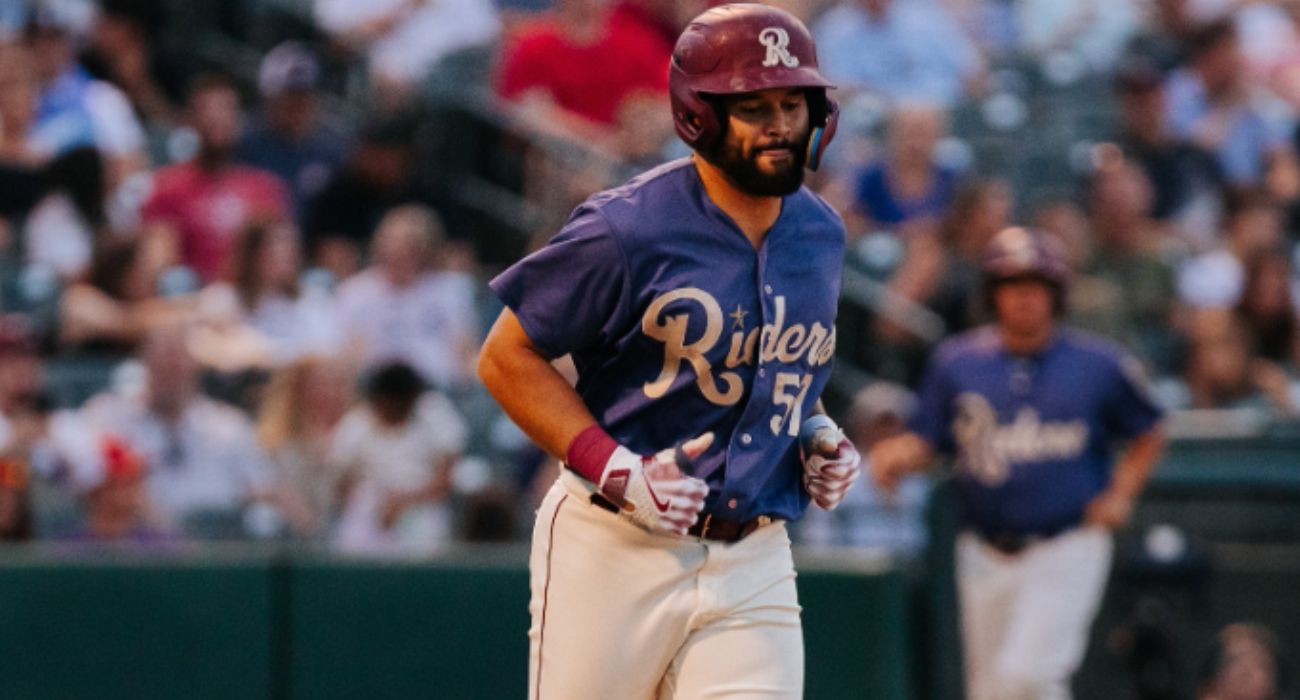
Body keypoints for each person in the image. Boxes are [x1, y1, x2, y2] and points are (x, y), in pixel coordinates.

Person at [477, 5, 862, 698]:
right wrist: (616, 467)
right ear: (699, 115)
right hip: (615, 546)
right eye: (754, 105)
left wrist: (814, 430)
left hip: (755, 552)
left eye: (792, 102)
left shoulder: (820, 232)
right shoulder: (626, 226)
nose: (780, 124)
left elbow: (778, 364)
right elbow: (506, 356)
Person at [869, 226, 1167, 699]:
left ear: (1057, 294)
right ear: (992, 293)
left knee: (1027, 676)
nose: (1023, 297)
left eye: (1036, 285)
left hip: (1066, 544)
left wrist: (1121, 494)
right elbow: (931, 441)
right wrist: (899, 455)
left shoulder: (1097, 363)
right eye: (1010, 284)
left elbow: (1149, 429)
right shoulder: (957, 362)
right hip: (983, 551)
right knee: (990, 690)